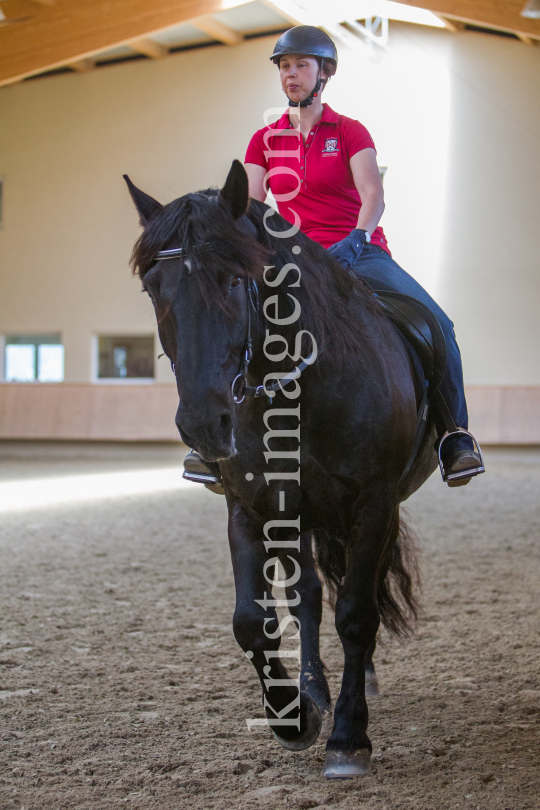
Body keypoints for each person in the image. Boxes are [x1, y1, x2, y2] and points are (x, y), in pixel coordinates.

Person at [183, 25, 484, 491]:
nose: (291, 74)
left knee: (438, 324)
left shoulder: (348, 131)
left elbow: (373, 193)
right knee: (231, 322)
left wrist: (358, 237)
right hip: (294, 258)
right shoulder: (265, 138)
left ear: (325, 73)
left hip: (359, 252)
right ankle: (210, 445)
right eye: (284, 66)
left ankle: (454, 436)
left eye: (301, 65)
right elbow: (251, 203)